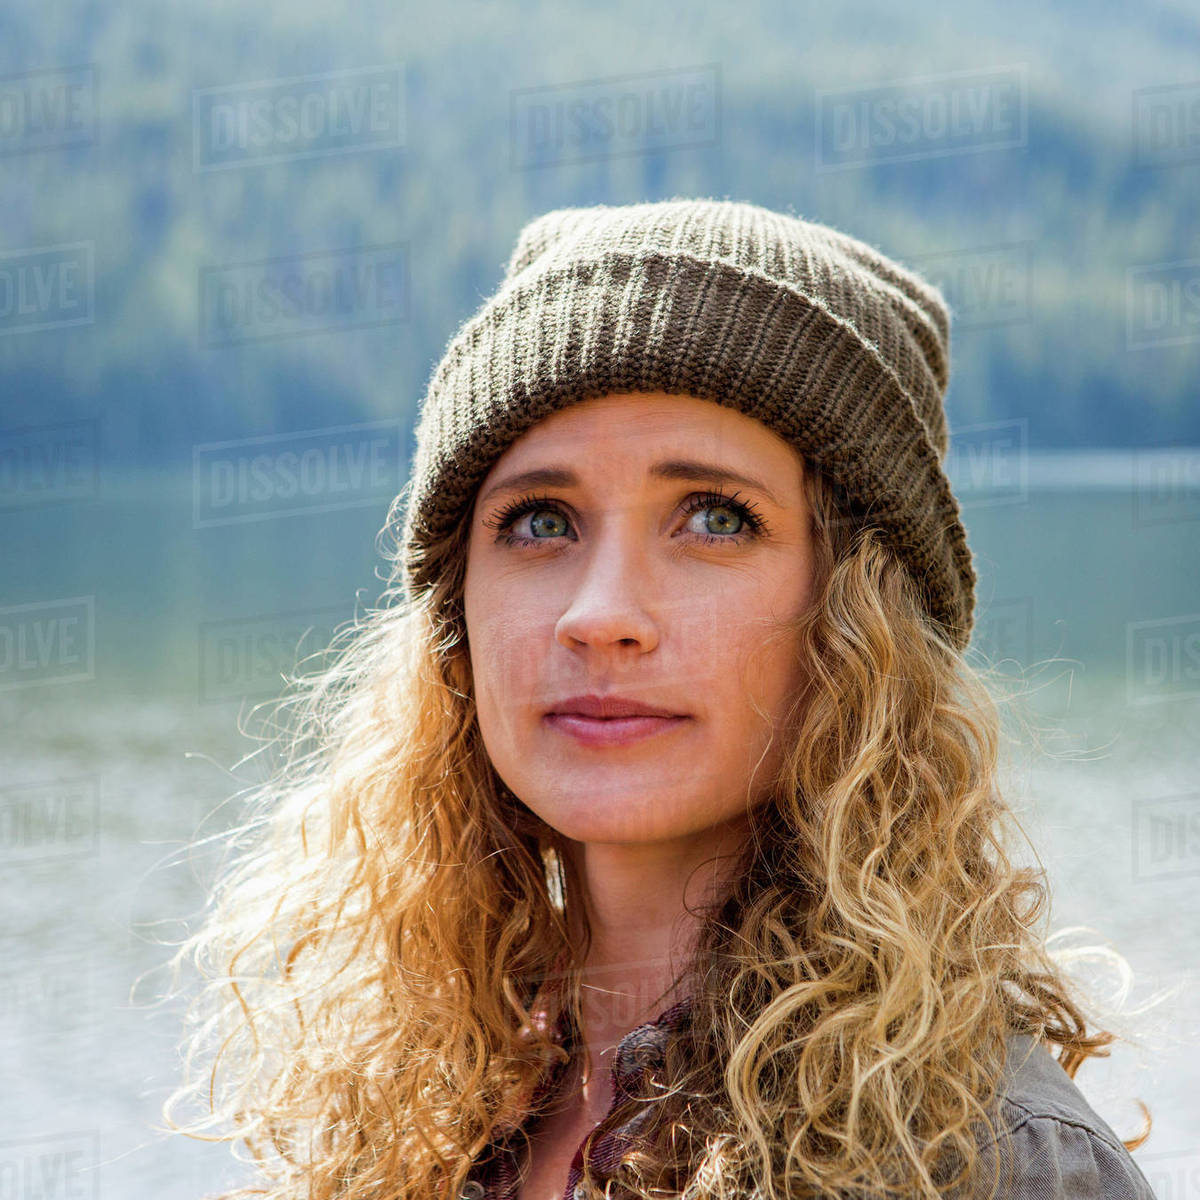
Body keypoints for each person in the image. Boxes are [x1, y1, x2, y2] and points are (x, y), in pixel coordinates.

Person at [167, 199, 1159, 1200]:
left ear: (860, 617)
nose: (599, 616)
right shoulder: (416, 1121)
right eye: (540, 520)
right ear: (456, 612)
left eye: (716, 517)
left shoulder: (985, 1160)